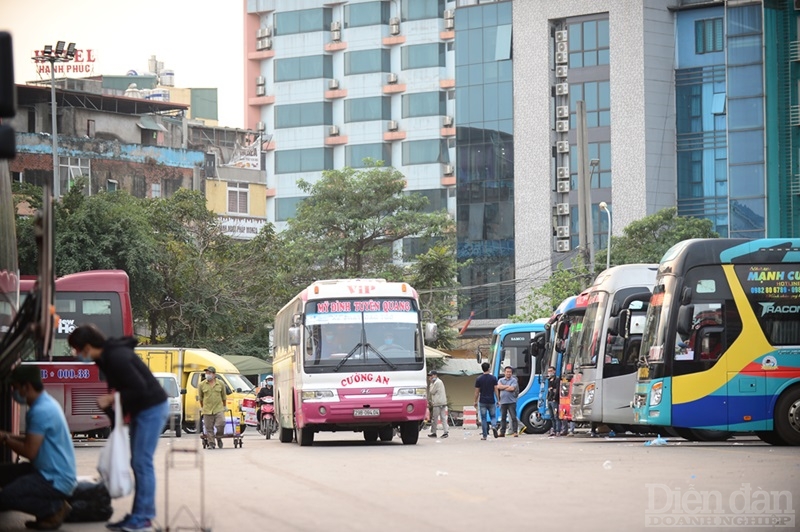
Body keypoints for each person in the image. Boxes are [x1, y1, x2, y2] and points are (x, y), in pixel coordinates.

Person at [68, 323, 168, 532]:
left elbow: (138, 388)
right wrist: (115, 421)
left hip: (153, 408)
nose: (76, 353)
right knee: (137, 462)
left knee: (142, 463)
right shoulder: (104, 359)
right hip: (141, 409)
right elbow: (119, 393)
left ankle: (144, 518)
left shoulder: (117, 357)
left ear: (86, 346)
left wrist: (112, 398)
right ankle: (137, 516)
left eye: (76, 349)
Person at [0, 365, 77, 530]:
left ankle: (53, 509)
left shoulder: (41, 411)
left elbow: (29, 451)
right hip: (48, 471)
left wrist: (6, 439)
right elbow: (32, 439)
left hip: (54, 479)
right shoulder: (47, 402)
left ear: (26, 386)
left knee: (6, 497)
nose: (14, 392)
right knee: (3, 473)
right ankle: (50, 508)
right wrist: (7, 435)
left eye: (15, 388)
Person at [198, 367, 227, 450]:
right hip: (207, 409)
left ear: (214, 374)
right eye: (206, 373)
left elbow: (224, 396)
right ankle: (211, 443)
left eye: (209, 373)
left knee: (221, 424)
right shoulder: (202, 385)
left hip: (218, 408)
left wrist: (224, 406)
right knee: (209, 428)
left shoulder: (220, 384)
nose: (207, 375)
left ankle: (219, 437)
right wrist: (203, 407)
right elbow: (201, 398)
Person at [473, 362, 500, 440]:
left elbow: (476, 392)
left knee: (484, 418)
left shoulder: (479, 379)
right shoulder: (493, 378)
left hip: (482, 401)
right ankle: (494, 426)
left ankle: (485, 435)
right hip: (491, 400)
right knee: (493, 416)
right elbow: (496, 389)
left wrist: (475, 401)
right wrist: (498, 400)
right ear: (489, 368)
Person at [497, 366, 519, 437]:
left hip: (512, 402)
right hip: (503, 402)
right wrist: (507, 386)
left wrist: (503, 387)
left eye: (510, 372)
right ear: (504, 372)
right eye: (507, 372)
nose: (508, 373)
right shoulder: (500, 380)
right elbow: (498, 387)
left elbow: (512, 388)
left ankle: (515, 432)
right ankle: (502, 432)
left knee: (513, 417)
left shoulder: (514, 380)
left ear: (512, 373)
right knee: (503, 418)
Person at [427, 370, 448, 439]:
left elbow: (432, 391)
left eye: (431, 376)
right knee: (443, 417)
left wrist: (431, 383)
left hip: (437, 403)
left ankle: (434, 432)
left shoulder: (436, 382)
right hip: (442, 402)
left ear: (435, 375)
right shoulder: (439, 382)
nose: (430, 377)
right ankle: (445, 432)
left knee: (435, 418)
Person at [546, 366, 561, 437]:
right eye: (548, 371)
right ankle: (553, 430)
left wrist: (554, 397)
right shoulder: (549, 380)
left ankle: (558, 430)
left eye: (551, 371)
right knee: (551, 416)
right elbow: (549, 390)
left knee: (556, 416)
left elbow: (556, 389)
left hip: (554, 400)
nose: (550, 373)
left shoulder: (557, 379)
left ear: (554, 371)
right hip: (549, 400)